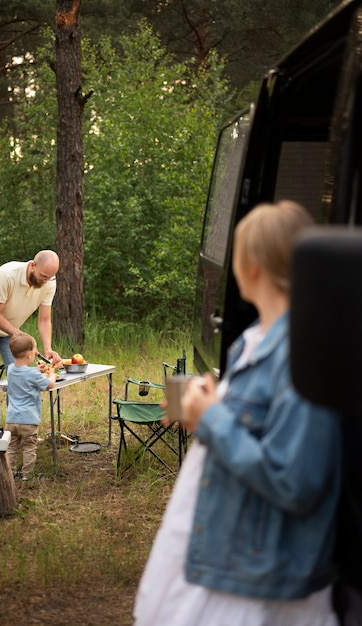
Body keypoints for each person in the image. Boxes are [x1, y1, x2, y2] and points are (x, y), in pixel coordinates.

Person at [134, 201, 341, 626]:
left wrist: (212, 418)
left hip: (256, 578)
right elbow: (254, 424)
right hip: (223, 543)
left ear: (254, 267)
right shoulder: (254, 338)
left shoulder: (303, 351)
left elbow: (294, 480)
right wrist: (207, 405)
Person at [0, 250, 61, 423]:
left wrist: (47, 348)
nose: (46, 281)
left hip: (11, 327)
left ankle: (20, 428)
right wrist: (19, 334)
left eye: (50, 277)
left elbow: (44, 320)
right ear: (33, 265)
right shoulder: (7, 275)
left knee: (21, 375)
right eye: (43, 276)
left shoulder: (49, 282)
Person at [5, 331, 56, 481]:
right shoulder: (33, 375)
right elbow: (49, 384)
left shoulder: (10, 369)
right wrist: (51, 373)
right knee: (29, 448)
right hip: (28, 420)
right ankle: (27, 475)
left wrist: (36, 370)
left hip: (12, 419)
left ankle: (10, 473)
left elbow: (23, 374)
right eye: (34, 351)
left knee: (12, 448)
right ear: (29, 354)